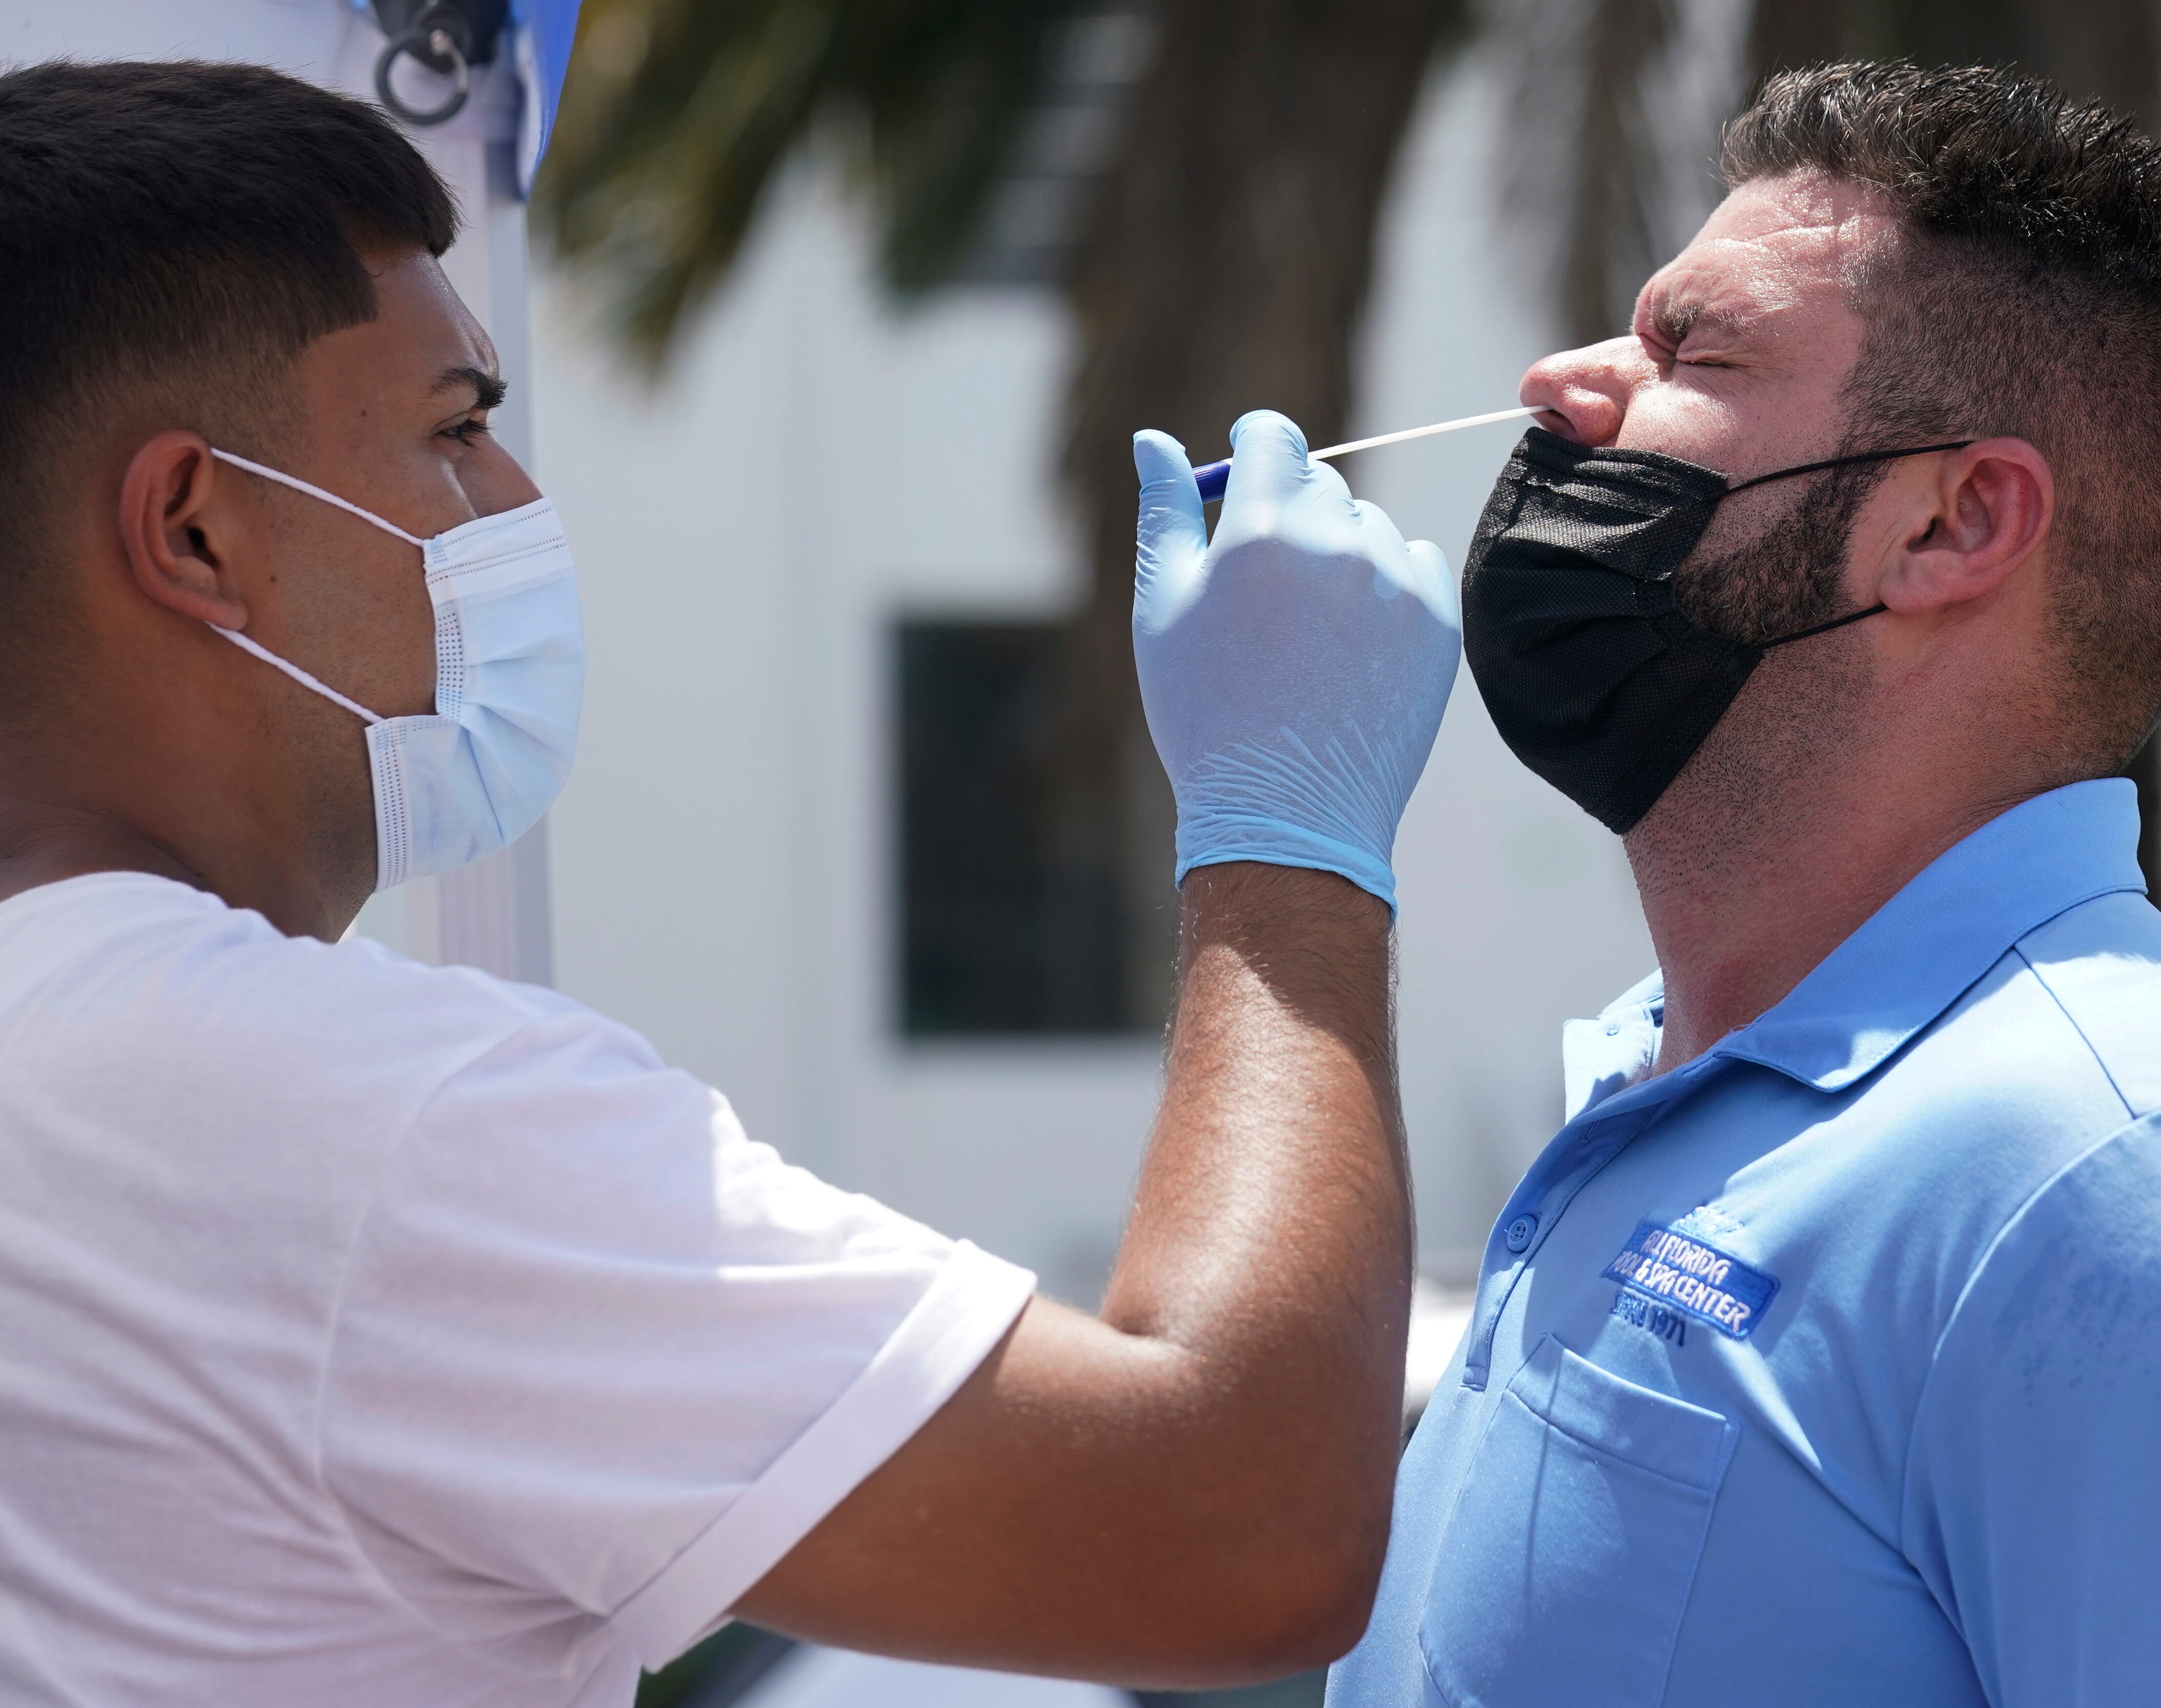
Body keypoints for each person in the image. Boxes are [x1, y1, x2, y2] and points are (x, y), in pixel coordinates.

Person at [0, 60, 1460, 1706]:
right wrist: (1286, 826)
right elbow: (1233, 1532)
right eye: (458, 432)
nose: (523, 505)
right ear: (195, 532)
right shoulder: (340, 1116)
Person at [1324, 61, 2161, 1708]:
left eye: (1694, 349)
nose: (1562, 384)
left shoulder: (2150, 1180)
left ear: (1954, 524)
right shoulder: (1670, 1082)